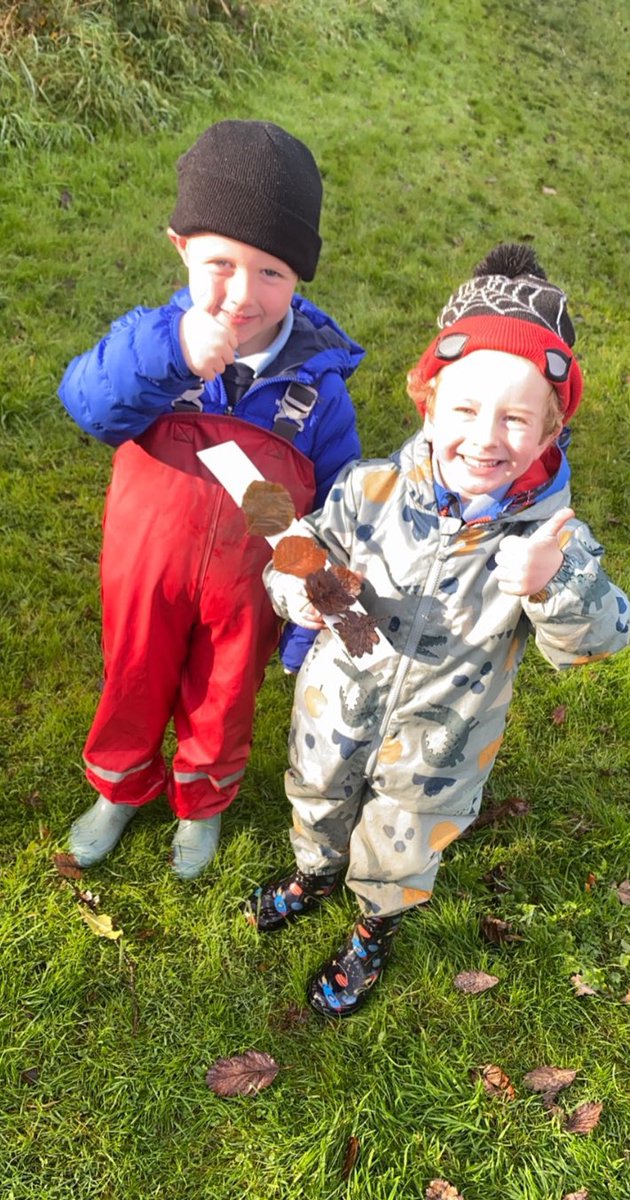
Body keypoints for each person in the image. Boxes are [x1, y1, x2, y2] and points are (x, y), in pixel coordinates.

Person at [243, 243, 630, 1016]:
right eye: (464, 409)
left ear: (551, 431)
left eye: (516, 418)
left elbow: (595, 641)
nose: (485, 437)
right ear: (428, 401)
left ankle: (371, 924)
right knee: (316, 797)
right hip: (332, 711)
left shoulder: (550, 541)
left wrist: (553, 584)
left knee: (399, 842)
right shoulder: (367, 488)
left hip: (440, 745)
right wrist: (300, 590)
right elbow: (294, 552)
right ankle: (313, 873)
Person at [58, 119, 364, 879]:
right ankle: (120, 788)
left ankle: (202, 804)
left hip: (247, 588)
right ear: (181, 249)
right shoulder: (153, 341)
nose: (241, 293)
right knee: (133, 678)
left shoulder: (317, 390)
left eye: (271, 273)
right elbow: (88, 405)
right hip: (145, 571)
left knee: (223, 697)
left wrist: (313, 625)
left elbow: (333, 513)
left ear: (300, 279)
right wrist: (171, 355)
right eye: (219, 263)